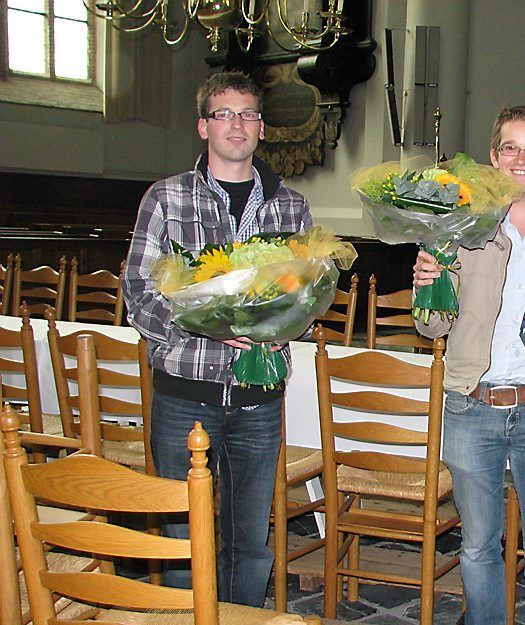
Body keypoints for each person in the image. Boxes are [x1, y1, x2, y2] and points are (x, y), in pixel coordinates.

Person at [122, 71, 312, 607]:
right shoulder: (167, 198)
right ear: (203, 126)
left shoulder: (291, 206)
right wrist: (206, 323)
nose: (238, 124)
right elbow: (137, 292)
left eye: (248, 113)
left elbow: (306, 300)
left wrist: (283, 327)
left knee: (250, 543)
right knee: (185, 537)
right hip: (187, 395)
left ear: (261, 128)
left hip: (259, 399)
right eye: (225, 114)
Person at [412, 105, 525, 625]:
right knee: (476, 547)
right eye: (510, 148)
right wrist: (427, 286)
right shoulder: (458, 224)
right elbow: (430, 328)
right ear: (494, 157)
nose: (521, 158)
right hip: (473, 405)